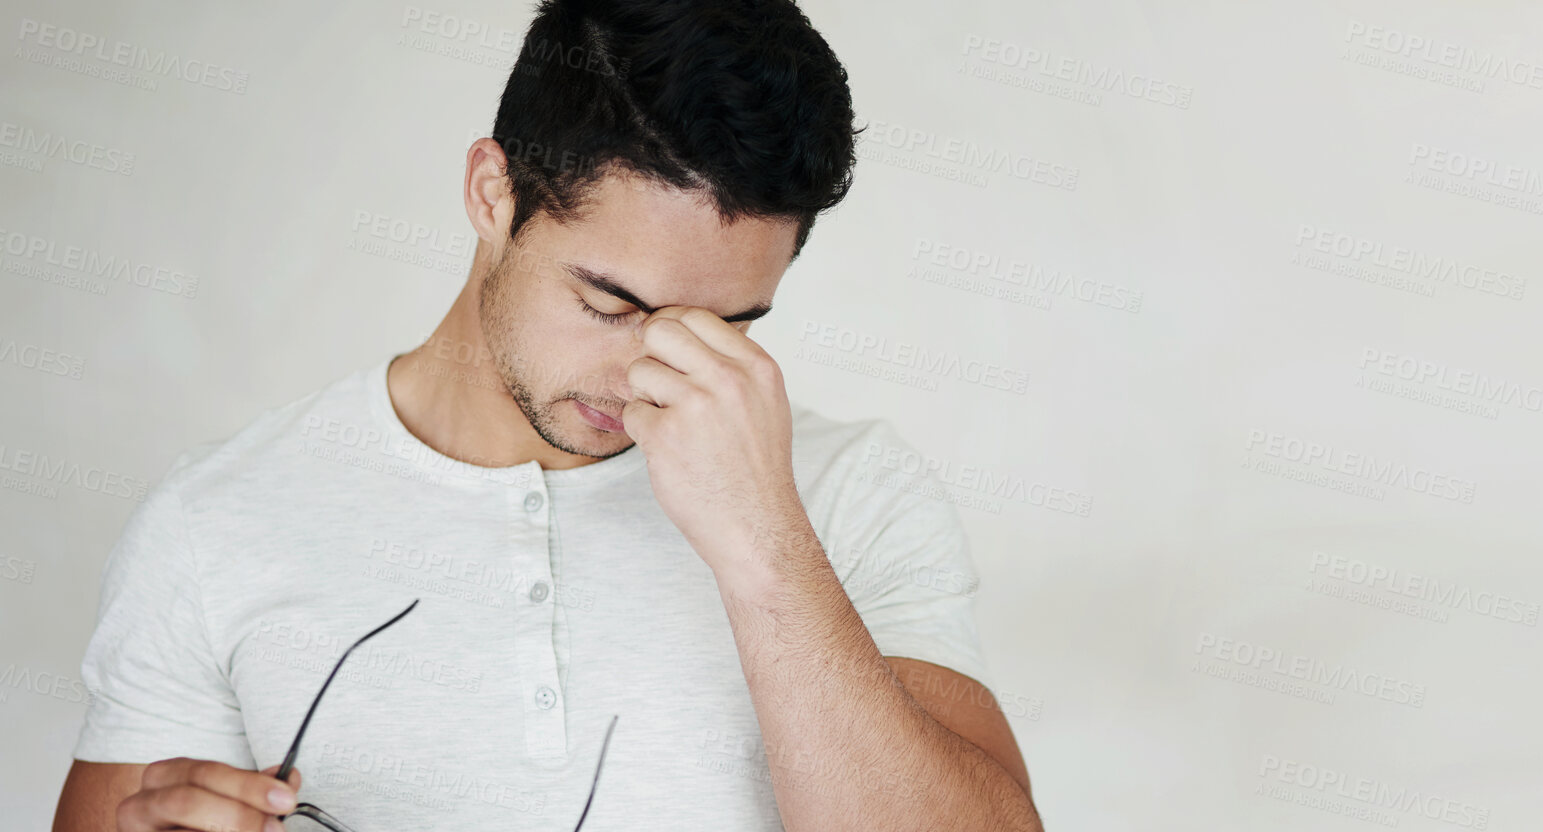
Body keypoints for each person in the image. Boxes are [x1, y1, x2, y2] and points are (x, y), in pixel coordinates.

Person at [49, 1, 1040, 829]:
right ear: (492, 191)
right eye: (612, 304)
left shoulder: (855, 490)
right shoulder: (214, 523)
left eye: (727, 327)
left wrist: (766, 545)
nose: (650, 371)